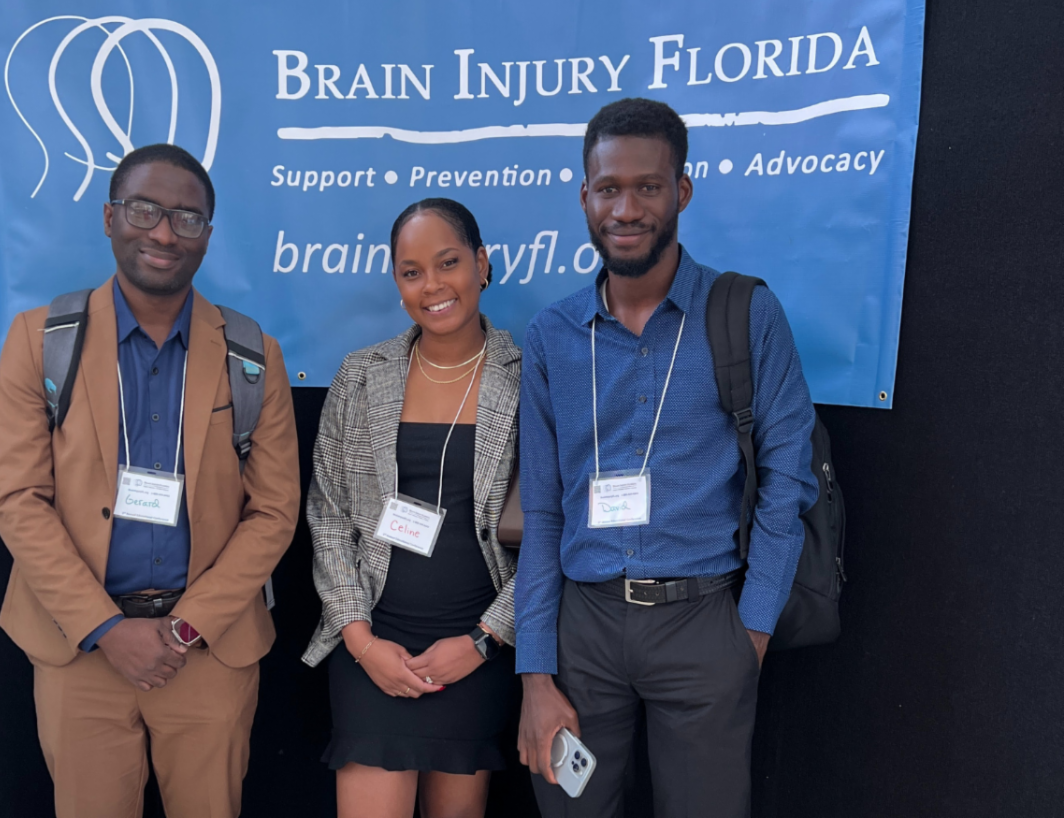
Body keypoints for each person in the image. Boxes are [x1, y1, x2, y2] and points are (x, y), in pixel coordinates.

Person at [515, 98, 819, 817]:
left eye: (648, 187)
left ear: (681, 191)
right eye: (608, 188)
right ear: (584, 195)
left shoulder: (744, 312)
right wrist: (534, 672)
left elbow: (788, 483)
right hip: (581, 631)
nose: (626, 208)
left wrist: (749, 635)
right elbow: (544, 509)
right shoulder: (554, 334)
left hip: (704, 623)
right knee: (570, 807)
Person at [0, 143, 300, 818]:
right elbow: (19, 501)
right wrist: (104, 626)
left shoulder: (252, 355)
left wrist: (186, 628)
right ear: (109, 217)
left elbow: (275, 510)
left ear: (208, 237)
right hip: (80, 651)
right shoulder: (40, 340)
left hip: (207, 652)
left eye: (187, 218)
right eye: (145, 209)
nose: (164, 232)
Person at [302, 198, 521, 818]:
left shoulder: (531, 378)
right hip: (372, 646)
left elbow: (552, 532)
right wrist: (361, 638)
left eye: (448, 262)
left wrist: (482, 641)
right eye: (411, 271)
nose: (433, 286)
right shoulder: (360, 376)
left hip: (475, 655)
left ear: (481, 264)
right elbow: (327, 515)